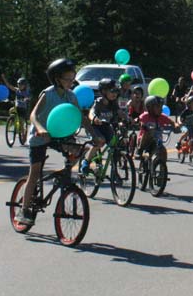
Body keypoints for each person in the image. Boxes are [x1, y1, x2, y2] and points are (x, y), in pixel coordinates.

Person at [15, 58, 85, 227]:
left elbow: (81, 117)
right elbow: (33, 115)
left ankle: (61, 176)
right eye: (67, 78)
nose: (70, 82)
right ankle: (23, 210)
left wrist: (95, 135)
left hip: (60, 134)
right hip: (42, 136)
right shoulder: (49, 94)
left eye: (72, 78)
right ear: (57, 79)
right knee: (35, 171)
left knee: (77, 151)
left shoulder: (71, 96)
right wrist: (40, 128)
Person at [81, 78, 122, 174]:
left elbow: (120, 112)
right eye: (112, 91)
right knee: (100, 141)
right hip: (95, 127)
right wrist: (94, 118)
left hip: (106, 126)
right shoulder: (99, 102)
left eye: (116, 91)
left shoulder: (114, 103)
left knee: (115, 144)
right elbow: (91, 112)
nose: (115, 94)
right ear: (104, 91)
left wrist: (128, 118)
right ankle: (86, 162)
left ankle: (114, 172)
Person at [136, 95, 178, 163]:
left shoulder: (162, 117)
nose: (161, 109)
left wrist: (176, 126)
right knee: (147, 132)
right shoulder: (145, 116)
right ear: (150, 108)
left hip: (157, 140)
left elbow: (172, 122)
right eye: (158, 107)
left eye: (161, 107)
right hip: (145, 141)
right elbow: (140, 121)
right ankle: (139, 150)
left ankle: (163, 168)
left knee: (163, 151)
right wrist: (142, 125)